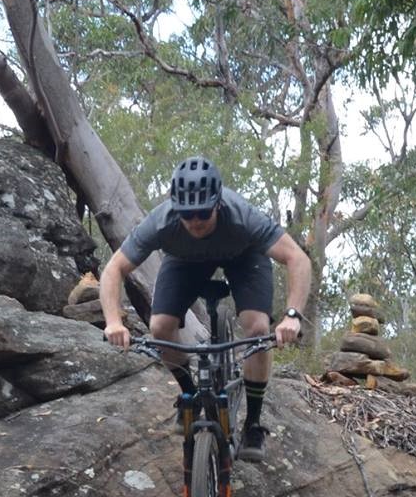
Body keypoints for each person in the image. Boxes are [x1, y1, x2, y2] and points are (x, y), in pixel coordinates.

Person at [99, 157, 312, 463]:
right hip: (184, 260)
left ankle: (252, 423)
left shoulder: (241, 215)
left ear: (218, 204)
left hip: (243, 256)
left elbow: (297, 258)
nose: (195, 221)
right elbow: (114, 269)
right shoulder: (162, 220)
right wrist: (113, 322)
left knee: (257, 329)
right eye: (187, 215)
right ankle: (188, 394)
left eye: (202, 213)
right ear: (176, 208)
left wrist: (292, 315)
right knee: (159, 327)